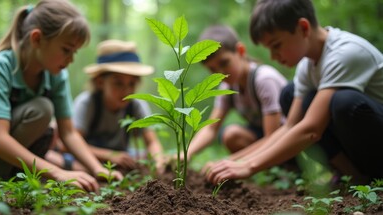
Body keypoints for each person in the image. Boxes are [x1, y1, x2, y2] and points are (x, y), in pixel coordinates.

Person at [205, 0, 383, 185]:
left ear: (303, 28)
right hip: (363, 141)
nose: (273, 56)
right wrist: (237, 162)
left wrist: (249, 166)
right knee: (290, 95)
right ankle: (353, 177)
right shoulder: (307, 66)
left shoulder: (345, 53)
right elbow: (290, 126)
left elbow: (311, 130)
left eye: (276, 45)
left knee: (343, 101)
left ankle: (372, 176)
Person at [0, 0, 122, 192]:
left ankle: (6, 178)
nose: (71, 59)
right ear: (37, 39)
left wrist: (97, 168)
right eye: (66, 50)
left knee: (48, 127)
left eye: (74, 52)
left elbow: (68, 132)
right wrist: (58, 173)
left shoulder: (56, 74)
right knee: (42, 109)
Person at [45, 39, 167, 174]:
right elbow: (65, 145)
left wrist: (158, 163)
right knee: (57, 160)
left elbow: (152, 142)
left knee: (144, 157)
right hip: (85, 159)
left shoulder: (136, 105)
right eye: (118, 83)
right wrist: (109, 155)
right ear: (100, 82)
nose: (126, 91)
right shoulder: (88, 103)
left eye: (132, 84)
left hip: (119, 158)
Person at [187, 25, 287, 163]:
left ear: (240, 51)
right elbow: (211, 128)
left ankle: (285, 169)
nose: (220, 73)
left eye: (224, 63)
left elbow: (272, 137)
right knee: (231, 135)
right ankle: (267, 172)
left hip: (285, 139)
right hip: (262, 137)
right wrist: (187, 154)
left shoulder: (263, 79)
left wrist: (230, 161)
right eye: (212, 69)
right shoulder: (227, 87)